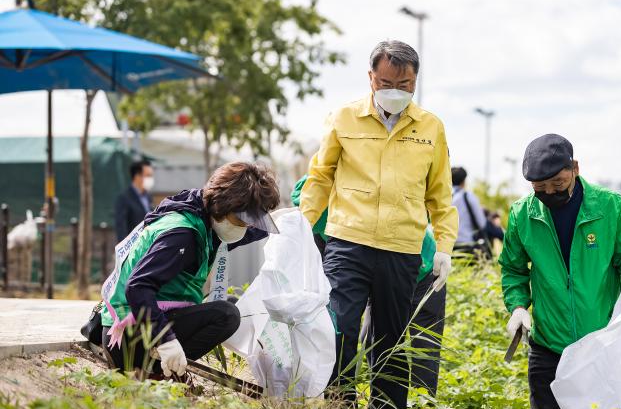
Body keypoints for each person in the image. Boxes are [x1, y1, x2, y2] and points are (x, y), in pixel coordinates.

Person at [300, 40, 458, 409]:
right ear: (371, 77)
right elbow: (320, 176)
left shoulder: (430, 128)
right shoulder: (344, 118)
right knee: (340, 329)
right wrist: (303, 226)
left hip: (401, 249)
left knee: (390, 341)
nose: (395, 90)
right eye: (387, 82)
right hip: (347, 242)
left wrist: (443, 247)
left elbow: (440, 196)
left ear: (415, 81)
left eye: (405, 84)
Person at [498, 133, 621, 409]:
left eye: (557, 183)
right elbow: (512, 269)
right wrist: (518, 307)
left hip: (598, 345)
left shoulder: (610, 207)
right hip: (548, 343)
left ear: (576, 168)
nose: (550, 193)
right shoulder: (523, 215)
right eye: (541, 189)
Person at [100, 162, 280, 379]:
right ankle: (159, 372)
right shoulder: (182, 235)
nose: (245, 228)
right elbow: (138, 287)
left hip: (142, 323)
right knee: (226, 315)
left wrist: (287, 219)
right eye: (242, 220)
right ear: (223, 205)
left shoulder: (204, 219)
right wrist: (166, 341)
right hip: (127, 339)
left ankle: (163, 367)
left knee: (231, 304)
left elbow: (245, 234)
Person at [292, 174, 447, 396]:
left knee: (422, 343)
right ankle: (352, 403)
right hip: (377, 269)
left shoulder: (351, 208)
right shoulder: (311, 217)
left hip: (425, 273)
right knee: (367, 337)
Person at [451, 166, 490, 257]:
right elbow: (482, 223)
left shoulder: (446, 198)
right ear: (464, 181)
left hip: (448, 247)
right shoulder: (468, 196)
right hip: (467, 246)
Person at [115, 160, 155, 242]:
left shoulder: (148, 197)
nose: (151, 179)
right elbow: (121, 228)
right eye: (148, 175)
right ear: (137, 176)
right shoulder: (124, 198)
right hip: (134, 248)